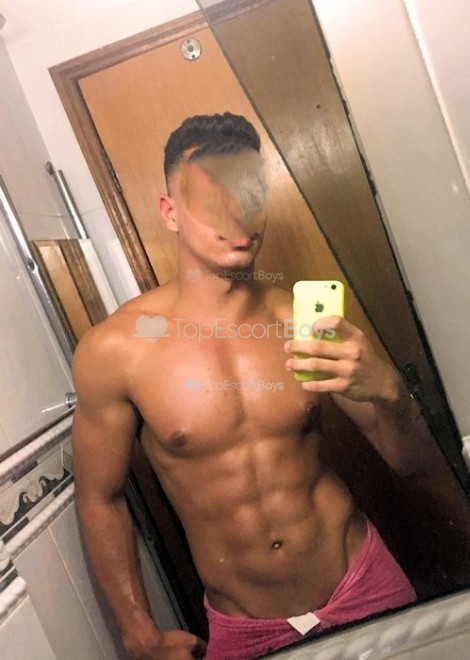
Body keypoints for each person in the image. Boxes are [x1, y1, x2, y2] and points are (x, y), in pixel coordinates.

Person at [71, 112, 439, 659]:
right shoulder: (117, 349)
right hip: (248, 630)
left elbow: (412, 463)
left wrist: (390, 392)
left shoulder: (306, 319)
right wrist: (137, 629)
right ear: (170, 213)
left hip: (364, 586)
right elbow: (99, 496)